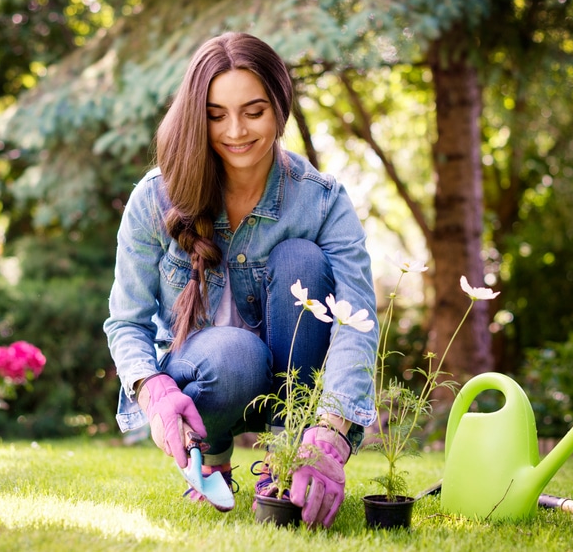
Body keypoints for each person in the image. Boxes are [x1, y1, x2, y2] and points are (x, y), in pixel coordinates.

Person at [103, 31, 379, 528]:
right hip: (209, 376)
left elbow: (357, 320)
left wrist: (333, 431)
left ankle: (288, 457)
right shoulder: (154, 199)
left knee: (301, 261)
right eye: (216, 114)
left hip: (296, 388)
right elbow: (125, 322)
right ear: (196, 116)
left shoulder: (321, 199)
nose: (235, 130)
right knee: (236, 353)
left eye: (253, 111)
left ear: (279, 107)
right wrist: (153, 391)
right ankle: (213, 460)